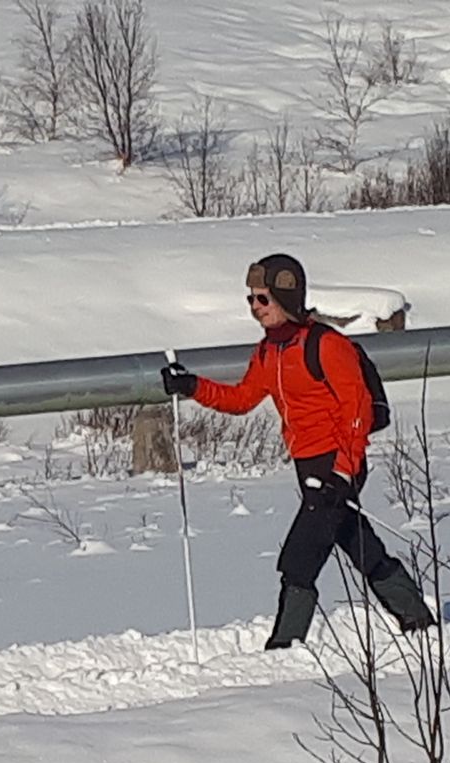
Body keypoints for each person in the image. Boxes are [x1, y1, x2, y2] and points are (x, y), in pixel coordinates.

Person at [160, 253, 435, 650]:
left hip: (337, 464)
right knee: (360, 546)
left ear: (286, 298)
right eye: (250, 299)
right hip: (308, 465)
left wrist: (342, 473)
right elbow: (241, 399)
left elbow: (356, 410)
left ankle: (284, 647)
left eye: (262, 299)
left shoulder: (326, 346)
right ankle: (418, 620)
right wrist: (191, 387)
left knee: (298, 560)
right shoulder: (268, 352)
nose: (255, 308)